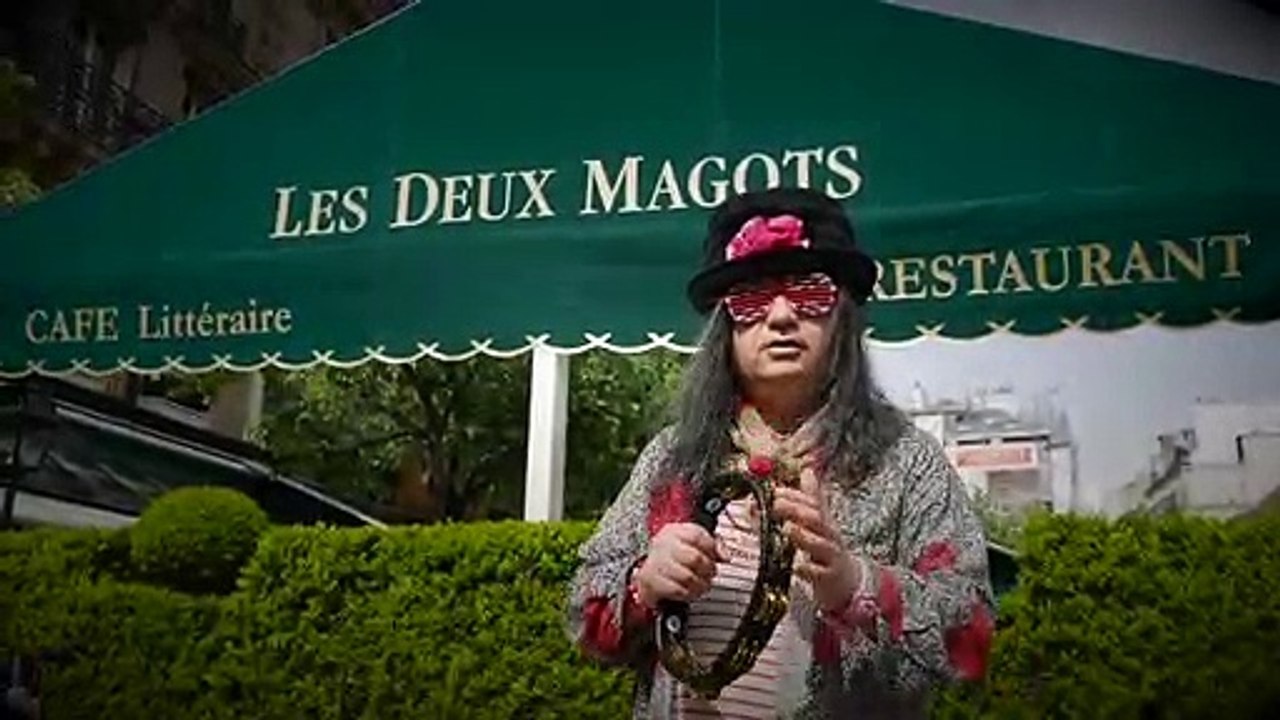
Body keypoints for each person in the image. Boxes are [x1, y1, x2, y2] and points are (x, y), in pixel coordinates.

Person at [565, 187, 994, 719]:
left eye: (809, 292)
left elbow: (971, 636)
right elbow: (584, 615)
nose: (782, 315)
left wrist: (854, 583)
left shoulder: (906, 460)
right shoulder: (672, 458)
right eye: (752, 297)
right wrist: (643, 583)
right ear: (726, 327)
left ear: (843, 318)